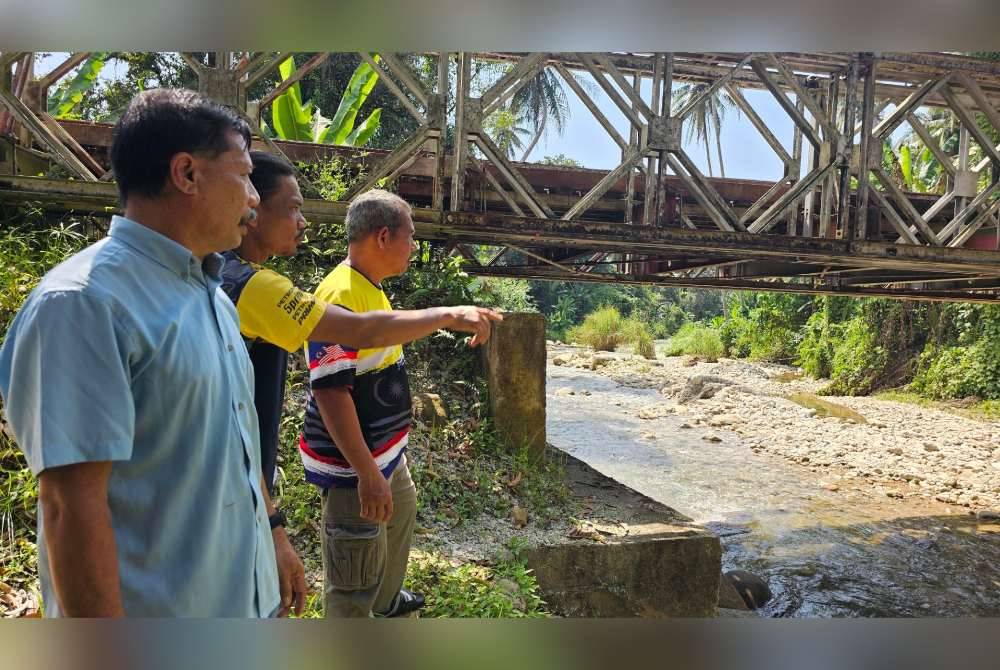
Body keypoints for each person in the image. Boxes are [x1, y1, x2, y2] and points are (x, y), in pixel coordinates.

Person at [0, 88, 304, 617]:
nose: (255, 198)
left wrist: (273, 535)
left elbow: (238, 443)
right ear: (186, 174)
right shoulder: (84, 304)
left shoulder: (213, 297)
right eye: (244, 176)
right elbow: (71, 508)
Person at [221, 151, 501, 499]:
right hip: (336, 477)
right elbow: (346, 360)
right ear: (251, 207)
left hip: (362, 465)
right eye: (293, 208)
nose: (303, 222)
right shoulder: (263, 287)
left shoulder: (225, 274)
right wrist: (450, 315)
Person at [300, 190, 442, 618]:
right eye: (410, 236)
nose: (413, 246)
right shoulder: (340, 295)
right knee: (353, 575)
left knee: (399, 517)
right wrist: (366, 473)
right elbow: (331, 391)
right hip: (354, 470)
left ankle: (385, 606)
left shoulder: (368, 287)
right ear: (383, 236)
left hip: (385, 459)